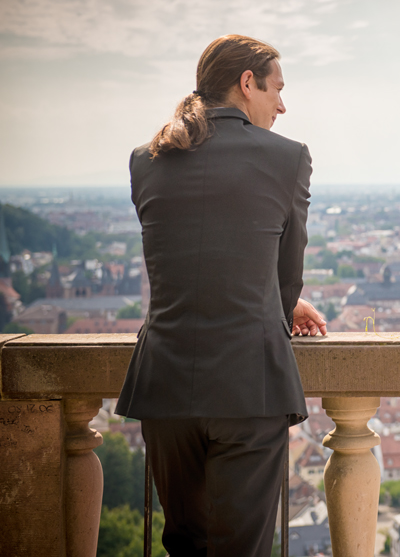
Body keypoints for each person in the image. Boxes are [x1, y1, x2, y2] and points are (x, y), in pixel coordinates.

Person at [115, 35, 328, 556]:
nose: (282, 105)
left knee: (184, 544)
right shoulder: (288, 158)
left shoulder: (147, 158)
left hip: (165, 385)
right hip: (248, 386)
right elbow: (287, 274)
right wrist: (278, 304)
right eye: (277, 89)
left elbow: (183, 256)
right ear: (246, 83)